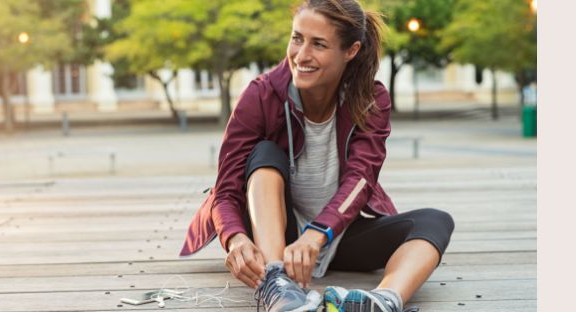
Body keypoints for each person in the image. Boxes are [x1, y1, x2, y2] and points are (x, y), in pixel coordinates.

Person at [180, 1, 454, 311]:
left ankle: (384, 300)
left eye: (319, 44)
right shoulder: (261, 95)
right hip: (277, 238)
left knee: (435, 221)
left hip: (338, 234)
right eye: (297, 38)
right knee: (264, 153)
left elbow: (361, 180)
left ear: (350, 50)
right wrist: (235, 238)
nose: (301, 54)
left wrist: (318, 233)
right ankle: (277, 282)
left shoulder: (370, 99)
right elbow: (226, 189)